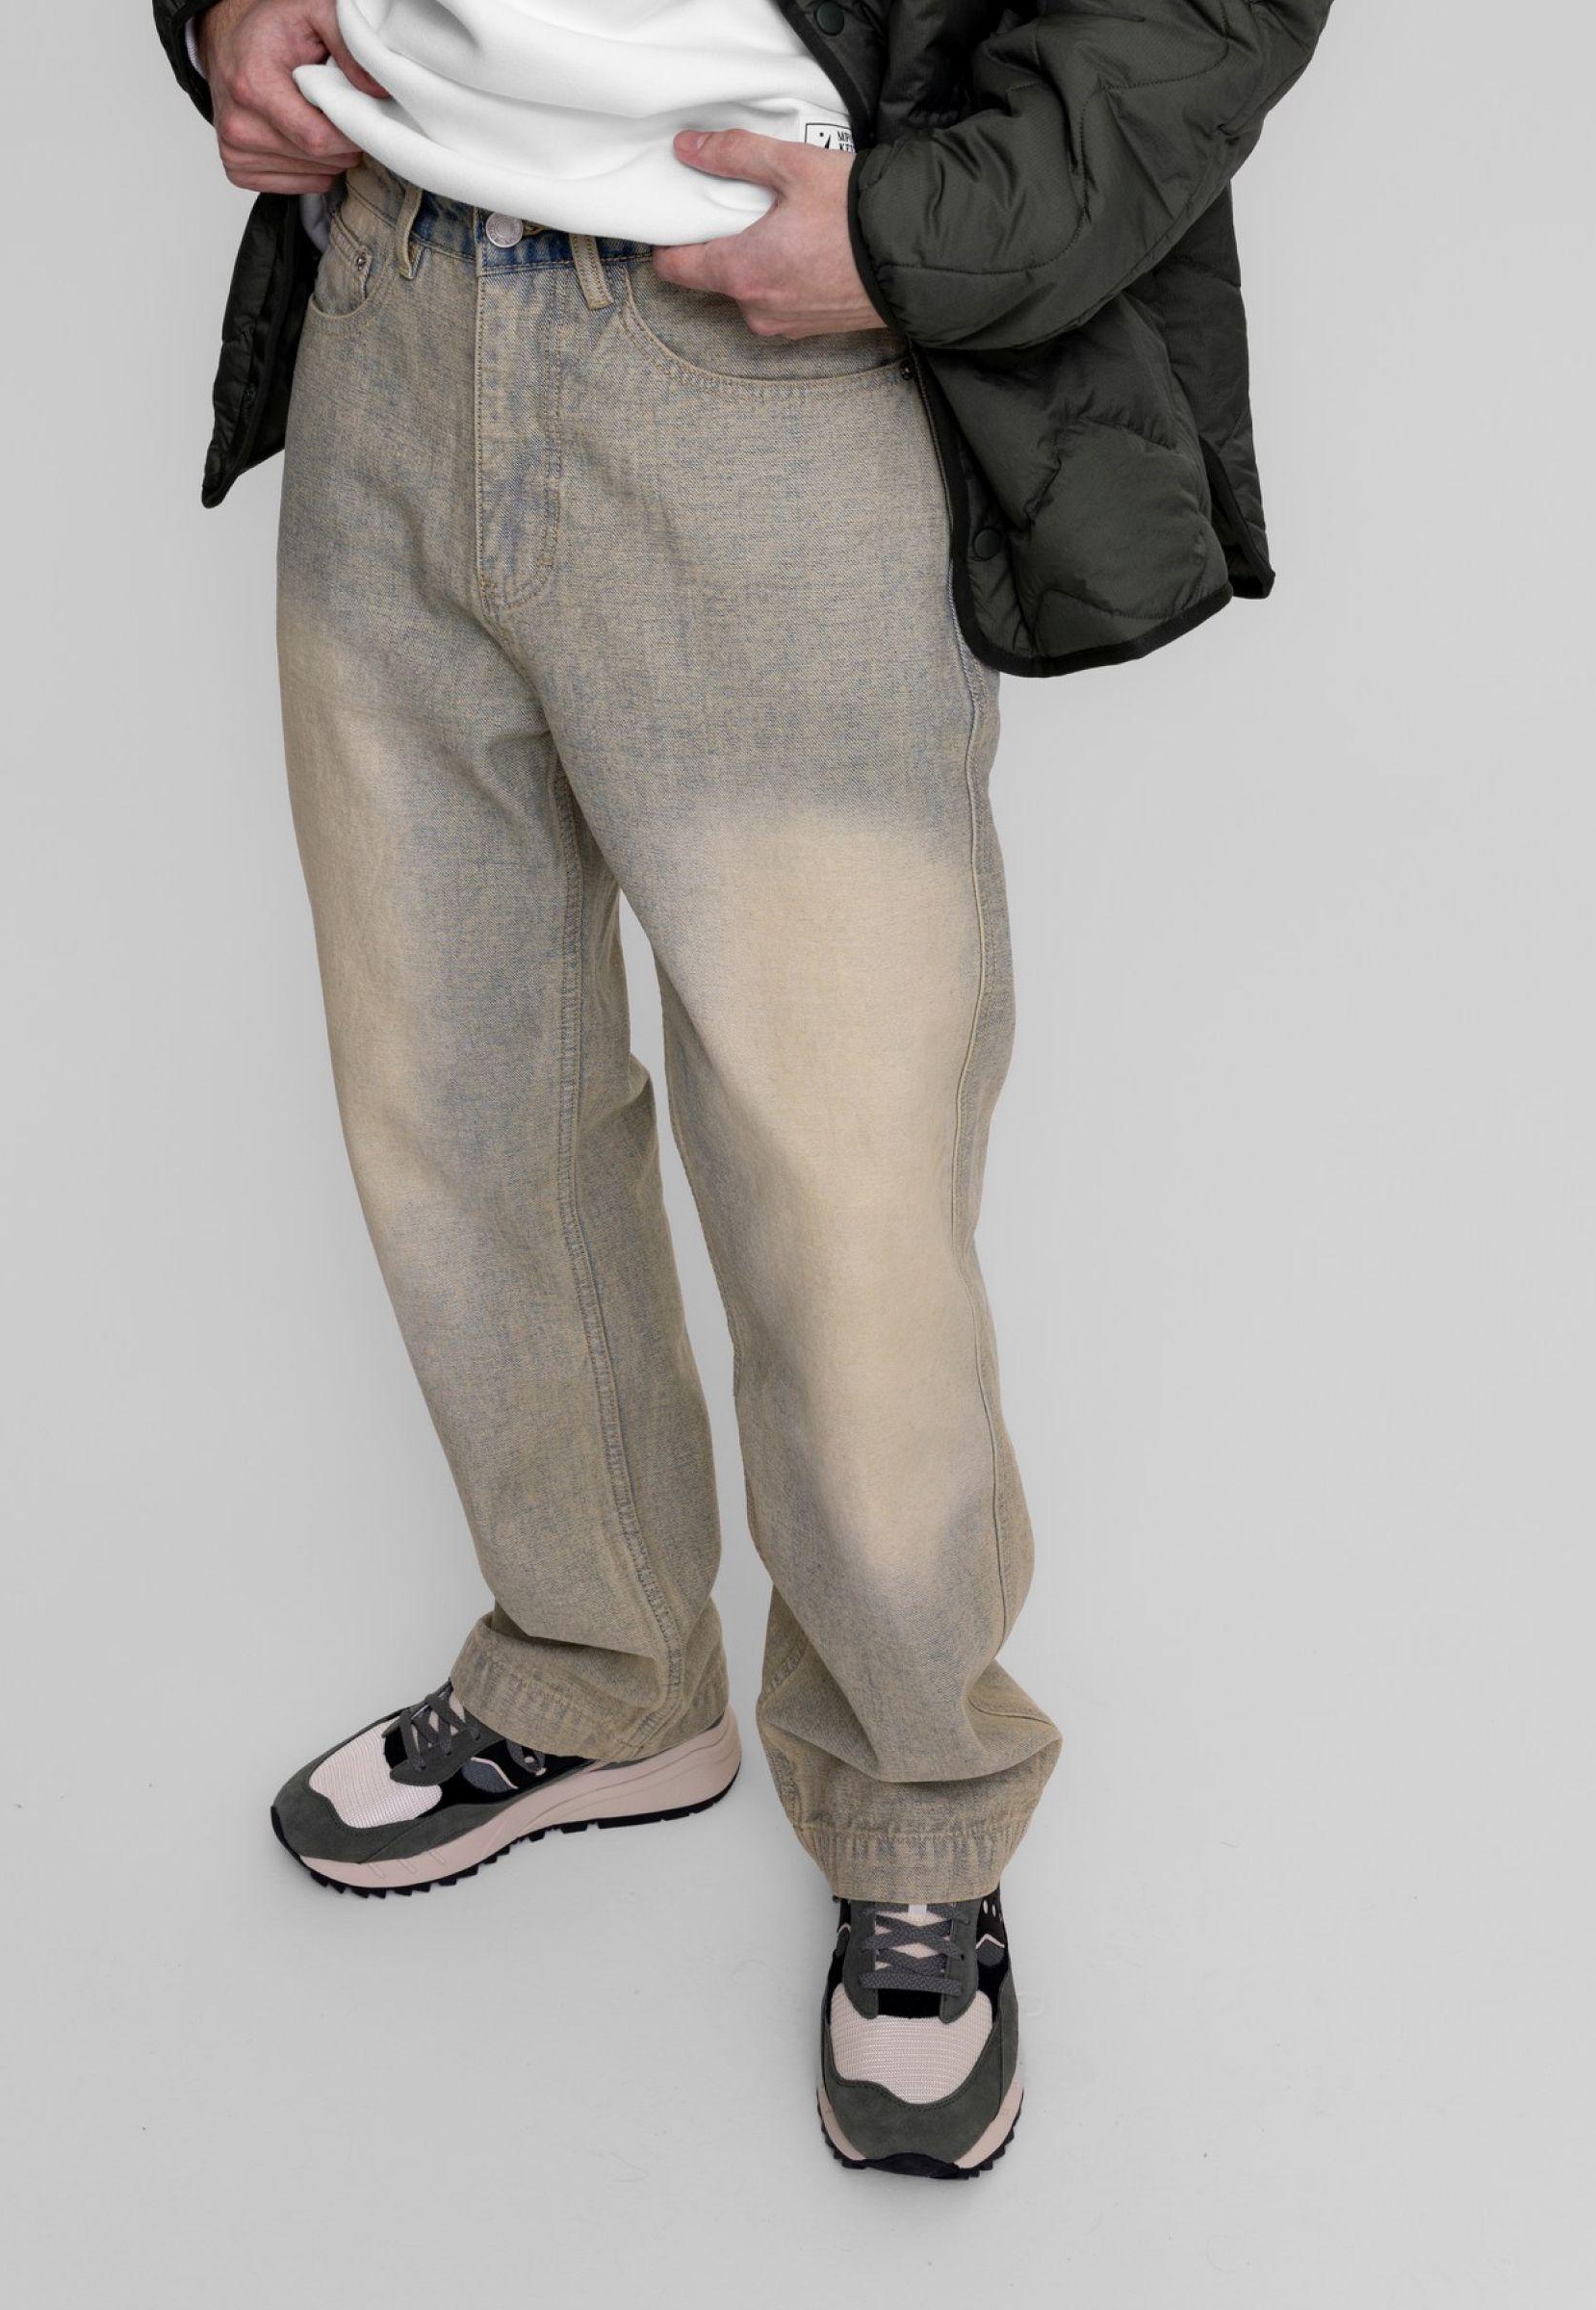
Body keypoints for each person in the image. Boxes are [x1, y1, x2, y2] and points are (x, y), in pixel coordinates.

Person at [154, 0, 1331, 2178]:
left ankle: (916, 1809)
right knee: (449, 1110)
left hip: (768, 359)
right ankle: (599, 1667)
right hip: (386, 300)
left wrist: (911, 237)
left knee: (839, 1188)